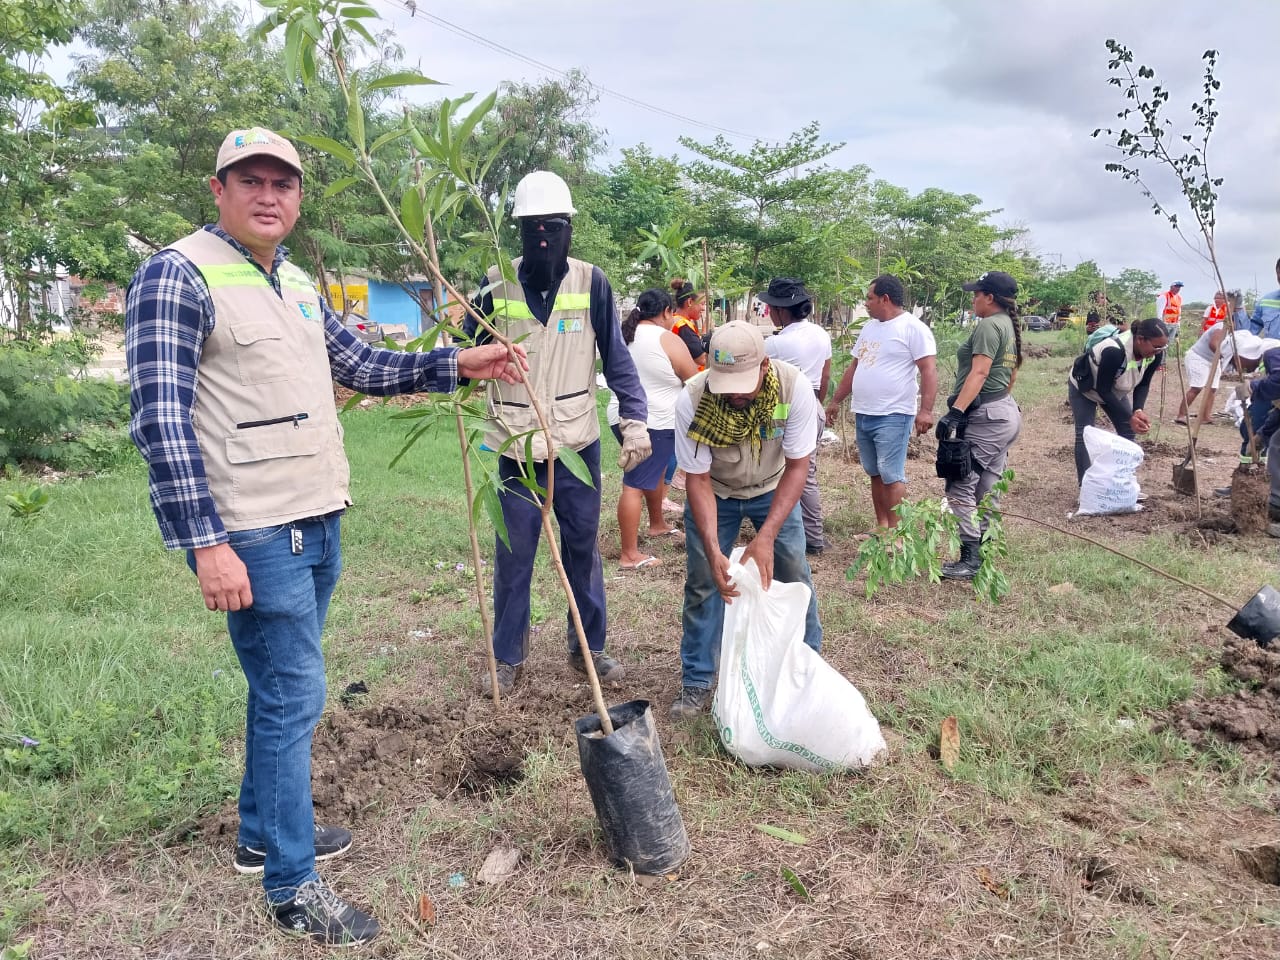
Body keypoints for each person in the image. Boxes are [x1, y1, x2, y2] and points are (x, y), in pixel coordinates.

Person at [125, 127, 527, 945]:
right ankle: (292, 885)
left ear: (298, 198)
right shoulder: (178, 275)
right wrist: (205, 542)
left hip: (316, 513)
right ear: (219, 190)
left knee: (283, 690)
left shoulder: (298, 282)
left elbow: (359, 366)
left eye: (284, 183)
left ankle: (260, 832)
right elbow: (160, 420)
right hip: (254, 526)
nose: (269, 195)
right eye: (251, 181)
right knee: (293, 694)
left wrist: (460, 362)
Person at [467, 170, 649, 697]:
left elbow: (617, 359)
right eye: (532, 228)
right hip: (513, 442)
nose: (543, 237)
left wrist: (633, 418)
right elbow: (468, 355)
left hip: (575, 442)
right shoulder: (494, 284)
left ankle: (588, 646)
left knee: (582, 547)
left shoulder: (592, 282)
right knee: (513, 552)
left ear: (569, 228)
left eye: (553, 226)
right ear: (518, 232)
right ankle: (508, 656)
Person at [669, 321, 822, 718]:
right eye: (726, 383)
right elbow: (697, 480)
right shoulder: (693, 399)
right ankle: (698, 680)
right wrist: (714, 550)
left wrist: (768, 534)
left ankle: (807, 666)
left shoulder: (793, 387)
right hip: (715, 491)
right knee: (705, 582)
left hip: (773, 486)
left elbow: (798, 466)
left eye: (743, 382)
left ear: (765, 366)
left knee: (792, 573)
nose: (734, 393)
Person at [825, 274, 937, 533]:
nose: (866, 303)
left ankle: (898, 534)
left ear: (885, 299)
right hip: (864, 412)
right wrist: (836, 401)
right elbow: (855, 366)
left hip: (893, 414)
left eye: (870, 298)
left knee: (891, 473)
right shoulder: (870, 327)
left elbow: (928, 370)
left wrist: (926, 411)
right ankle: (882, 527)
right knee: (874, 472)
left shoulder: (913, 328)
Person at [935, 271, 1024, 581]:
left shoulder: (989, 325)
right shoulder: (1008, 325)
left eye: (977, 294)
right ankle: (986, 550)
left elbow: (981, 371)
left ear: (990, 297)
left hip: (987, 415)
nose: (973, 298)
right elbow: (1011, 375)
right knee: (986, 486)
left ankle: (970, 558)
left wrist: (956, 412)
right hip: (1003, 412)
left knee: (960, 482)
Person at [616, 288, 698, 570]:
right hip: (655, 421)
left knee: (656, 470)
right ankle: (629, 554)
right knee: (635, 483)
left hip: (621, 417)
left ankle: (657, 524)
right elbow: (693, 379)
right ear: (665, 312)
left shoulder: (623, 335)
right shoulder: (667, 339)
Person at [759, 277, 833, 554]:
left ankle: (802, 534)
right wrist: (817, 405)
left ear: (781, 310)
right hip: (813, 402)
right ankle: (812, 533)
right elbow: (825, 374)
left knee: (782, 469)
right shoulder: (820, 334)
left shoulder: (776, 344)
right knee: (806, 469)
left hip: (785, 406)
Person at [1067, 316, 1169, 484]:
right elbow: (1103, 390)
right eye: (1156, 346)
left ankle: (1121, 482)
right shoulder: (1114, 351)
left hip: (1112, 388)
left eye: (1162, 347)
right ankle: (1086, 486)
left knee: (1128, 430)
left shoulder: (1155, 354)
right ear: (1140, 339)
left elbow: (1143, 384)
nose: (1159, 351)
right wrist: (1129, 417)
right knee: (1084, 434)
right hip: (1085, 386)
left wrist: (1137, 410)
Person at [1175, 323, 1259, 426]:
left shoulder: (1238, 336)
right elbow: (1213, 344)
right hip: (1199, 358)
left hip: (1214, 360)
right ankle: (1181, 415)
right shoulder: (1221, 327)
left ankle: (1205, 417)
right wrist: (1225, 356)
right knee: (1197, 387)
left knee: (1212, 389)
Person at [669, 278, 707, 368]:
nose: (703, 308)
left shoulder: (674, 319)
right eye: (702, 303)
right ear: (690, 302)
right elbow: (702, 359)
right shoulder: (683, 326)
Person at [1248, 258, 1280, 339]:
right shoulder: (1265, 302)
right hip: (1272, 350)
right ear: (1277, 274)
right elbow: (1249, 333)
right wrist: (1238, 310)